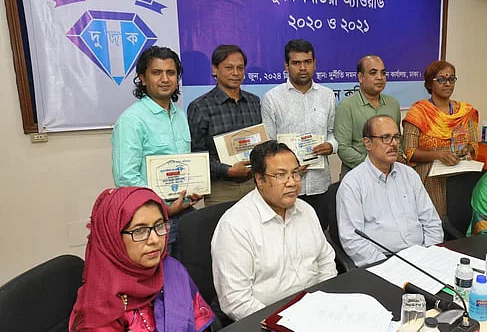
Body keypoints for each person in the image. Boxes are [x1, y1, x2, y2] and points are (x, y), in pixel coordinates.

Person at [69, 187, 215, 332]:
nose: (155, 239)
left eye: (159, 225)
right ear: (113, 236)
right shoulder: (98, 309)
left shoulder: (170, 269)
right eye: (139, 231)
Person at [211, 140, 337, 321]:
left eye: (295, 173)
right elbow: (236, 301)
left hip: (317, 310)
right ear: (259, 179)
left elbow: (325, 260)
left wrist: (326, 299)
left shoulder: (306, 210)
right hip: (267, 322)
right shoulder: (235, 226)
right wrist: (284, 323)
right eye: (281, 175)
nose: (292, 182)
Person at [112, 46, 202, 256]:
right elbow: (125, 177)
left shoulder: (180, 115)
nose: (165, 79)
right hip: (152, 221)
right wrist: (162, 208)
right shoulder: (131, 120)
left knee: (187, 275)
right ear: (142, 78)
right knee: (160, 280)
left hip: (185, 212)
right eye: (156, 73)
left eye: (170, 73)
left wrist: (194, 188)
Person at [337, 115, 443, 267]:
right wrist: (387, 266)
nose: (393, 144)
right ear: (368, 143)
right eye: (385, 138)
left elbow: (432, 221)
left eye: (396, 137)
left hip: (423, 255)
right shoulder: (353, 183)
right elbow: (352, 239)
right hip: (383, 261)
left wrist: (431, 254)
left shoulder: (409, 174)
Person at [261, 39, 337, 230]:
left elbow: (332, 133)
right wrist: (290, 166)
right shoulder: (272, 98)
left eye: (307, 62)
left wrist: (331, 146)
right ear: (286, 66)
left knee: (319, 237)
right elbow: (269, 145)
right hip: (286, 186)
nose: (303, 68)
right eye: (296, 63)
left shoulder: (327, 95)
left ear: (314, 63)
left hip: (320, 185)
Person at [402, 60, 479, 218]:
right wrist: (438, 155)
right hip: (430, 177)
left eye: (451, 79)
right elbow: (409, 151)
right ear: (430, 83)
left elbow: (473, 144)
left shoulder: (465, 112)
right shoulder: (418, 113)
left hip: (460, 174)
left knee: (460, 221)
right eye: (442, 79)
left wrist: (467, 150)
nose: (448, 83)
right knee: (436, 223)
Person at [188, 44, 262, 206]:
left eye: (240, 68)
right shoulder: (200, 107)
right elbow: (196, 154)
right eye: (229, 67)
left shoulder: (254, 102)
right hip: (221, 189)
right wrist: (228, 170)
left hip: (254, 186)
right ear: (215, 69)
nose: (235, 73)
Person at [334, 55, 401, 179]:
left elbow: (397, 140)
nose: (380, 78)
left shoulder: (393, 104)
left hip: (390, 174)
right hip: (357, 175)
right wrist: (373, 166)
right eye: (373, 73)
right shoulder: (346, 106)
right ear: (360, 77)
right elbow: (343, 147)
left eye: (383, 73)